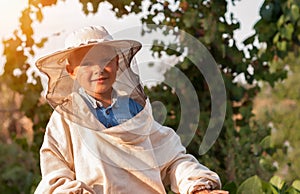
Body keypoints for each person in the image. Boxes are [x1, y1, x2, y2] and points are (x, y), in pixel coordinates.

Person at [34, 25, 229, 194]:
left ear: (117, 63)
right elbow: (55, 174)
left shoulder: (136, 110)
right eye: (87, 63)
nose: (99, 69)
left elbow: (173, 159)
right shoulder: (65, 118)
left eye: (105, 60)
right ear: (71, 71)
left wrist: (197, 186)